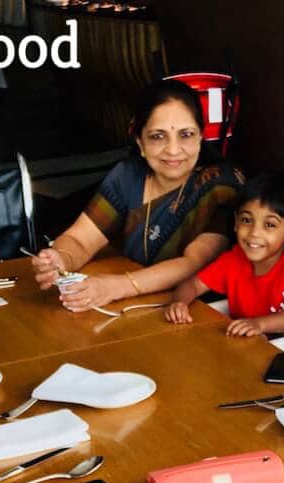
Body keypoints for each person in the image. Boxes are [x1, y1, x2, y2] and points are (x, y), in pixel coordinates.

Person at [32, 78, 245, 314]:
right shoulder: (128, 177)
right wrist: (59, 260)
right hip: (130, 308)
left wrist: (115, 287)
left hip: (192, 311)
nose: (173, 150)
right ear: (140, 142)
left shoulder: (218, 186)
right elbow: (81, 240)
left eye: (185, 134)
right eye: (157, 136)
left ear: (200, 137)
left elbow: (194, 263)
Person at [165, 171, 284, 337]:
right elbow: (192, 285)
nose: (254, 233)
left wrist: (258, 324)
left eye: (269, 225)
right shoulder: (233, 259)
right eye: (247, 220)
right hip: (253, 339)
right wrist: (179, 303)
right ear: (236, 222)